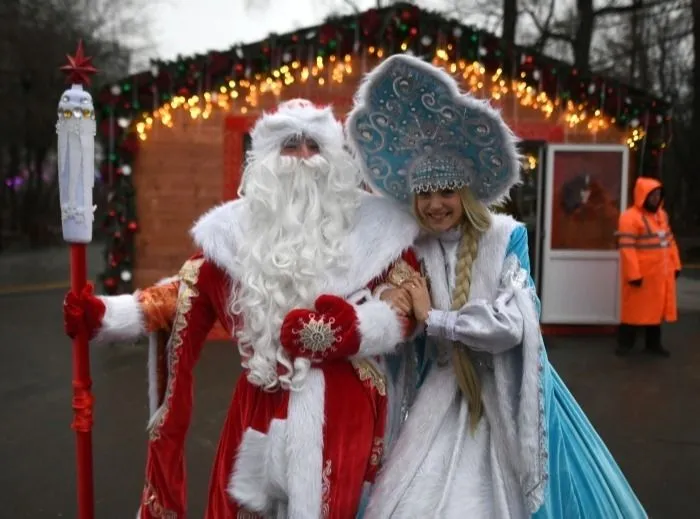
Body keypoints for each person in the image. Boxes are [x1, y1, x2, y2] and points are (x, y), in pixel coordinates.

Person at [63, 98, 423, 518]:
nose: (304, 157)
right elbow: (182, 297)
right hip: (259, 406)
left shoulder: (376, 229)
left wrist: (354, 329)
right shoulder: (232, 234)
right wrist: (106, 315)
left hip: (345, 413)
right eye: (290, 145)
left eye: (314, 145)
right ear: (267, 157)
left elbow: (409, 302)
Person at [336, 54, 646, 518]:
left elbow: (516, 324)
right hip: (436, 400)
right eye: (425, 193)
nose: (435, 204)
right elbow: (395, 324)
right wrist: (391, 305)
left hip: (504, 397)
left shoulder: (506, 237)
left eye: (446, 192)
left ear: (465, 193)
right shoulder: (412, 248)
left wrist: (434, 317)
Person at [615, 176, 681, 357]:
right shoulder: (629, 218)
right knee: (633, 313)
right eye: (652, 194)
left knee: (655, 313)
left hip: (659, 276)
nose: (655, 198)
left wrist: (676, 265)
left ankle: (653, 344)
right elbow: (627, 249)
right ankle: (625, 345)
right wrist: (633, 274)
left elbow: (670, 242)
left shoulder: (661, 216)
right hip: (641, 276)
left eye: (658, 194)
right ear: (642, 195)